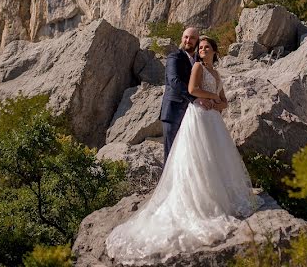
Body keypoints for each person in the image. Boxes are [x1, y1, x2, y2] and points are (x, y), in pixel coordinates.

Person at [105, 36, 261, 265]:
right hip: (197, 116)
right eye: (200, 47)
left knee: (215, 159)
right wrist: (210, 98)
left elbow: (225, 101)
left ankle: (219, 197)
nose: (203, 50)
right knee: (198, 157)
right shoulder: (197, 66)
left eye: (207, 47)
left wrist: (216, 103)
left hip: (213, 119)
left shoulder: (216, 73)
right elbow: (192, 89)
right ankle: (199, 198)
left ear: (215, 52)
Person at [160, 26, 212, 161]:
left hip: (191, 114)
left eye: (192, 38)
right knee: (171, 155)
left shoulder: (198, 60)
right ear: (182, 38)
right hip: (173, 111)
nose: (188, 40)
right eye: (186, 37)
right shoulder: (174, 56)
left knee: (187, 155)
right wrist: (195, 98)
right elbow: (174, 81)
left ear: (197, 41)